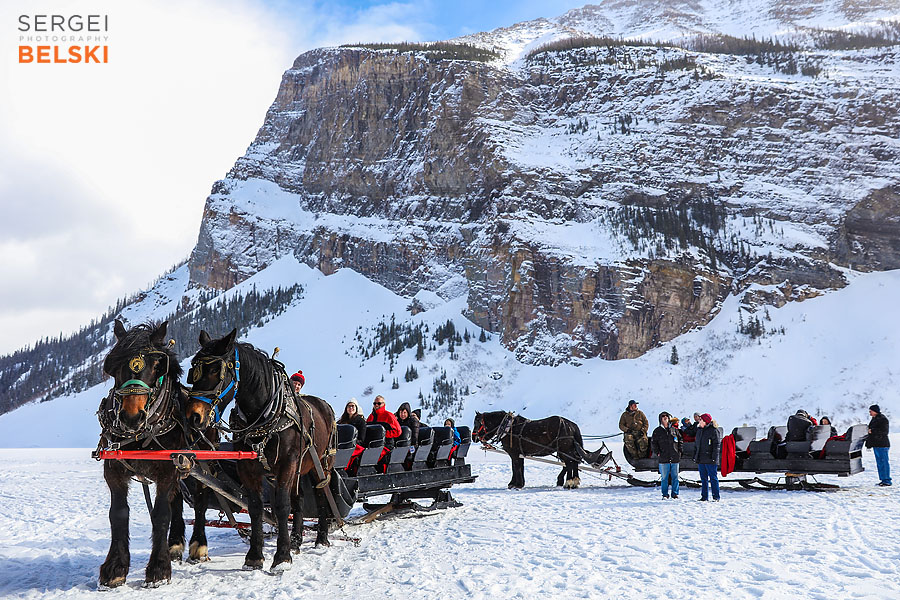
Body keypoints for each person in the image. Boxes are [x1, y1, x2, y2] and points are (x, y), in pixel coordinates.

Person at [651, 412, 682, 499]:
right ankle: (665, 494)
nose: (665, 418)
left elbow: (680, 440)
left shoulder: (674, 430)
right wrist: (657, 452)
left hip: (675, 457)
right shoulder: (657, 431)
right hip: (664, 458)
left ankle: (675, 493)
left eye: (666, 416)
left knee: (675, 477)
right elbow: (653, 443)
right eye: (663, 417)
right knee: (664, 478)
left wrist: (679, 451)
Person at [693, 413, 721, 501]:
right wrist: (696, 456)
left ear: (705, 421)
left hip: (710, 459)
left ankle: (716, 496)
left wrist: (714, 458)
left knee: (713, 478)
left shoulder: (713, 431)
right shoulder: (699, 430)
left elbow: (716, 445)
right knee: (703, 479)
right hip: (701, 459)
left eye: (701, 420)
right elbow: (697, 444)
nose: (699, 421)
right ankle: (704, 497)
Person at [866, 405, 891, 486]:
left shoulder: (882, 419)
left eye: (871, 411)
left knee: (883, 462)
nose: (870, 413)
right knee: (880, 463)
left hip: (882, 444)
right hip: (876, 444)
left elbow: (884, 431)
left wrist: (872, 431)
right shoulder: (874, 419)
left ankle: (887, 480)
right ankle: (883, 479)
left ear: (875, 411)